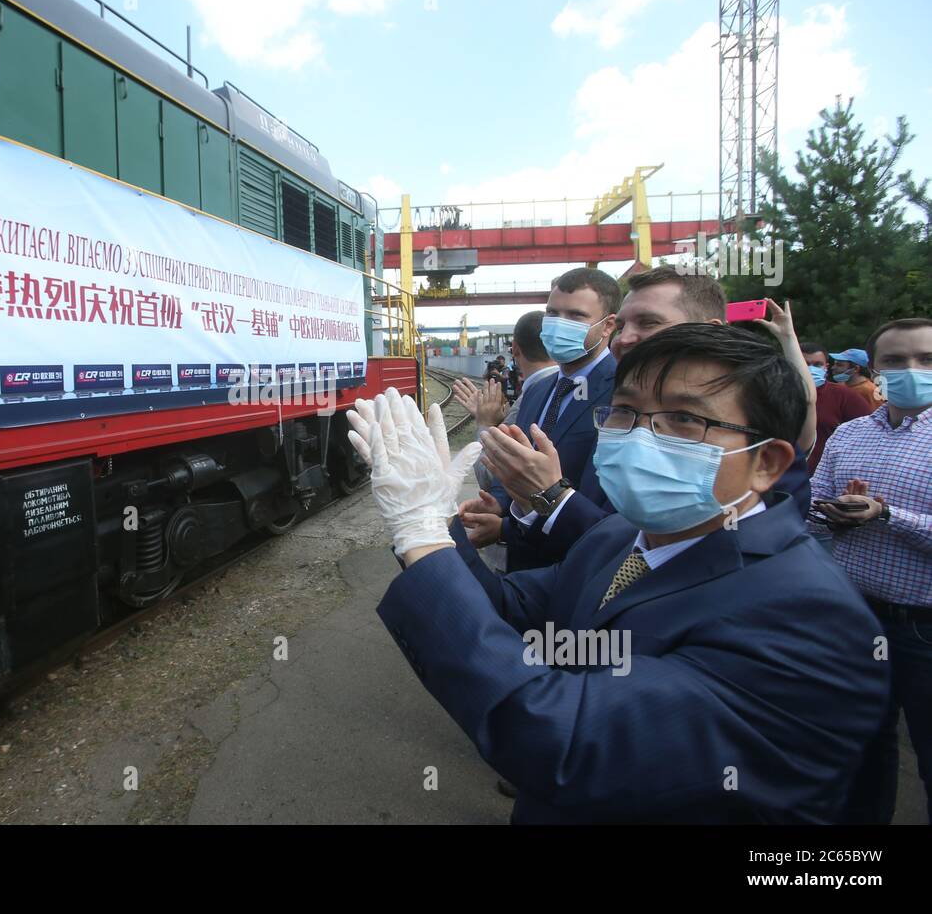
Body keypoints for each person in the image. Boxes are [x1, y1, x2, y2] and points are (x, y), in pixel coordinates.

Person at [346, 325, 889, 823]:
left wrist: (421, 536)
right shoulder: (616, 537)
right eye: (625, 413)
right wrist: (435, 523)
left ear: (767, 462)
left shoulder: (808, 615)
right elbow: (508, 612)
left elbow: (570, 745)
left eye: (684, 419)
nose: (640, 437)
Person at [464, 266, 817, 563]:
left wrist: (550, 496)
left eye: (647, 323)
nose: (625, 339)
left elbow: (651, 547)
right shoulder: (564, 391)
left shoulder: (750, 427)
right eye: (625, 326)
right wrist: (506, 511)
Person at [813, 318, 932, 824]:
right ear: (874, 368)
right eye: (895, 361)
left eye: (925, 360)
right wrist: (831, 514)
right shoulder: (852, 433)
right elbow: (813, 505)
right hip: (856, 620)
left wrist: (887, 515)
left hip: (924, 628)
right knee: (863, 751)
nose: (911, 370)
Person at [478, 267, 620, 570]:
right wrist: (500, 505)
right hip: (522, 569)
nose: (559, 325)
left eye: (576, 316)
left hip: (577, 566)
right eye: (552, 313)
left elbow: (609, 507)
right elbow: (519, 464)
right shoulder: (540, 388)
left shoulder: (624, 392)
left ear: (608, 326)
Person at [453, 311, 558, 493]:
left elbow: (489, 478)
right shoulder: (569, 387)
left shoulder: (529, 399)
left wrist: (485, 424)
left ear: (515, 349)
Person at [801, 342, 871, 473]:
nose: (810, 369)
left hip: (823, 476)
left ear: (825, 367)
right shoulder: (774, 394)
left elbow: (868, 435)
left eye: (817, 365)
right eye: (804, 363)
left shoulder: (845, 396)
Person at [830, 346, 886, 413]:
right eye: (834, 364)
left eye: (839, 365)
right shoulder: (840, 386)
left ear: (856, 369)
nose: (833, 368)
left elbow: (878, 417)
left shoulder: (869, 390)